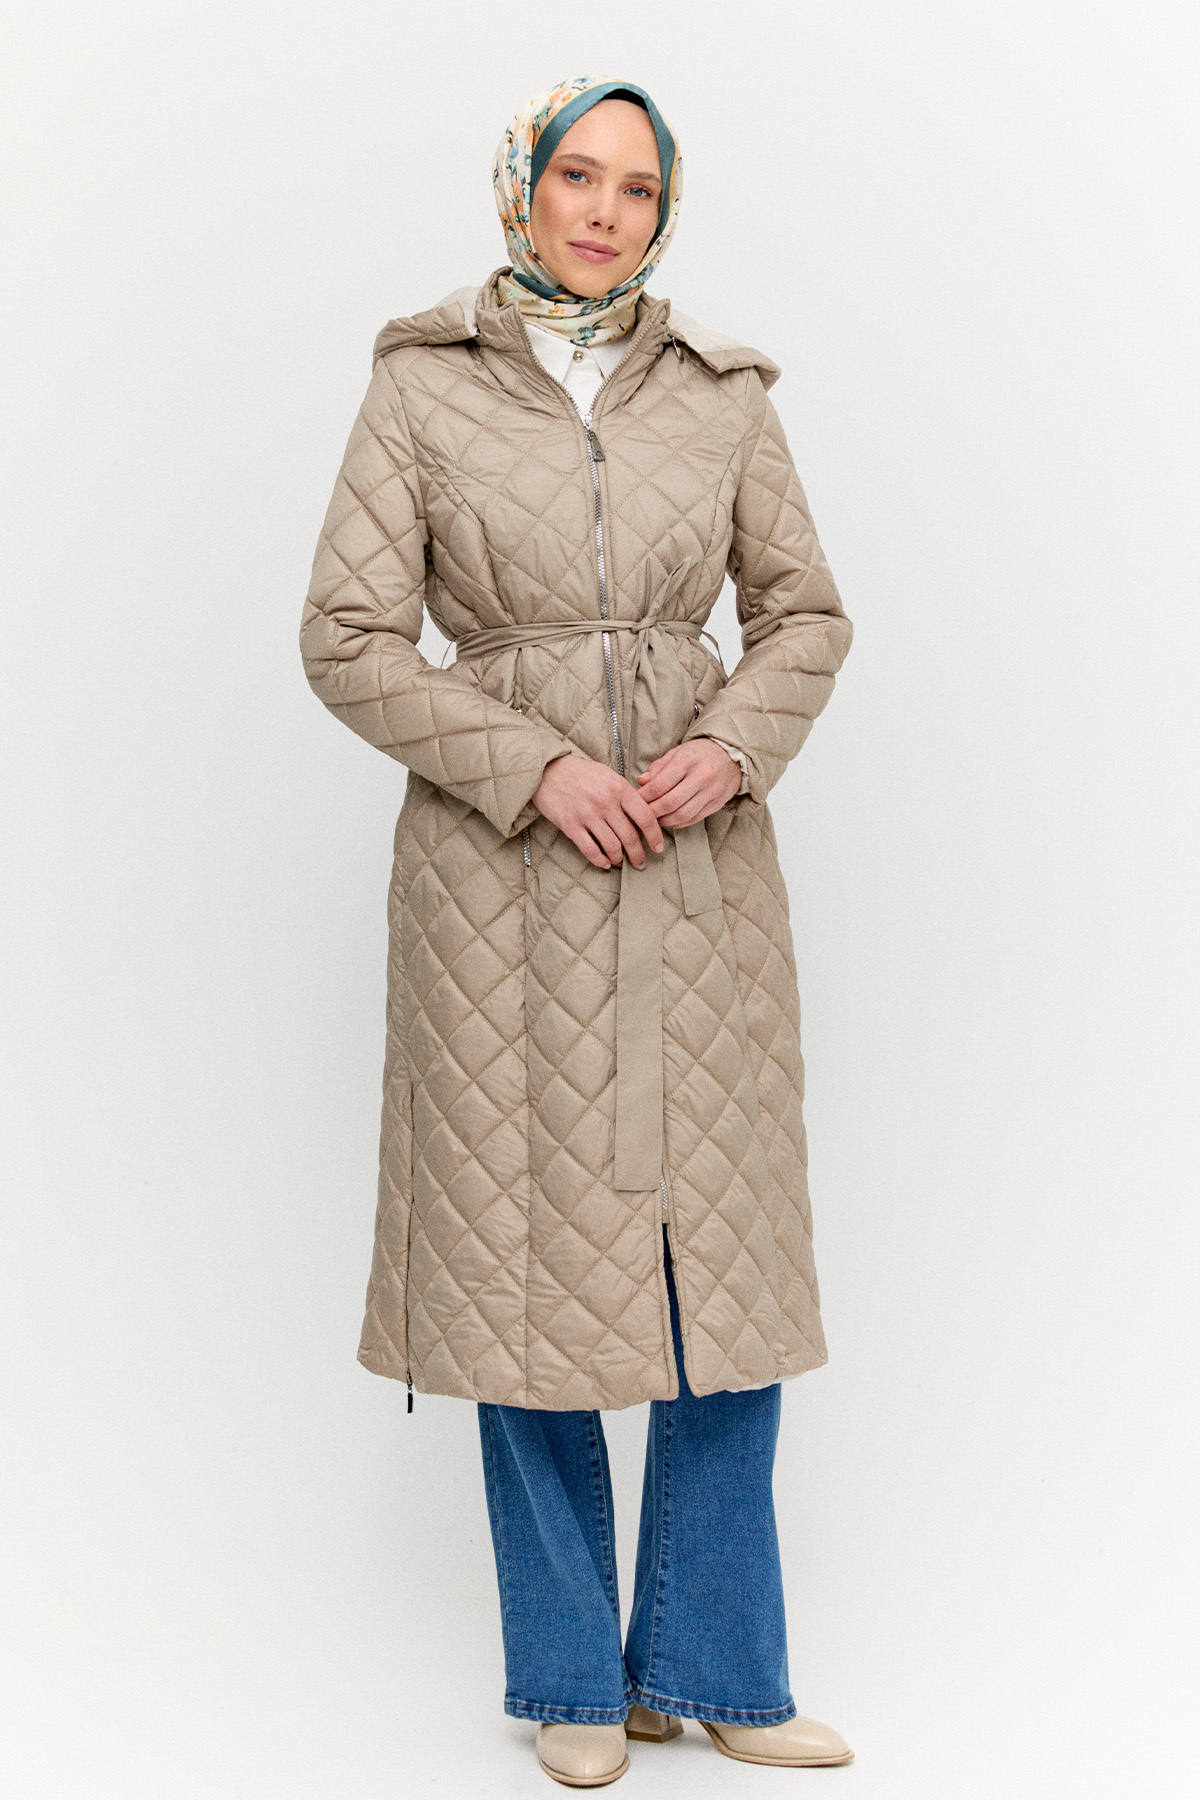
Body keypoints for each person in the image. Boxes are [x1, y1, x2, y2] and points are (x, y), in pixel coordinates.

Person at [300, 74, 855, 1789]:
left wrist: (729, 747)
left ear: (662, 214)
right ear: (521, 190)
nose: (605, 212)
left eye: (637, 188)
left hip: (699, 880)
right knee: (518, 1268)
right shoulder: (422, 383)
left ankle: (717, 1670)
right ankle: (566, 1680)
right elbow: (344, 636)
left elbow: (807, 616)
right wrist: (531, 766)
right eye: (577, 177)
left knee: (723, 1279)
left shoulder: (724, 395)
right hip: (498, 892)